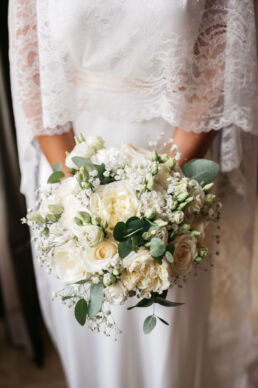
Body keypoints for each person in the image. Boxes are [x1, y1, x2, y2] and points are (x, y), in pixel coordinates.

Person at [8, 1, 258, 387]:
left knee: (165, 340)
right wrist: (75, 193)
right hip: (66, 163)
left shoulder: (173, 188)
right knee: (92, 335)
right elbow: (30, 65)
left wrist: (165, 189)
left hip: (175, 163)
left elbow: (221, 59)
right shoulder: (69, 186)